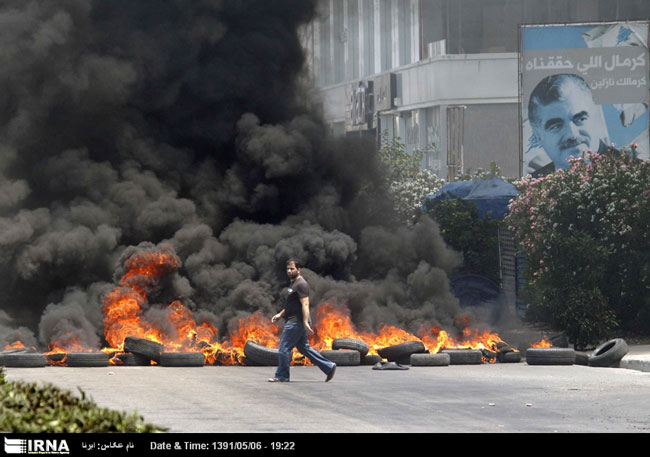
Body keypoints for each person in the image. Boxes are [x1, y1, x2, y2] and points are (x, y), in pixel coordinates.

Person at [528, 73, 610, 176]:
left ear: (596, 118)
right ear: (539, 137)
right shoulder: (532, 183)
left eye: (580, 119)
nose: (572, 135)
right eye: (556, 126)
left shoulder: (628, 169)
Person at [268, 259, 336, 382]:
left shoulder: (301, 284)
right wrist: (280, 314)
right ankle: (329, 366)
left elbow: (305, 304)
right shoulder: (293, 284)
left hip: (296, 322)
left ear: (298, 270)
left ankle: (282, 376)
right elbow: (291, 304)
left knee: (284, 348)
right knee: (304, 348)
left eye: (292, 269)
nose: (289, 271)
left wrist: (305, 322)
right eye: (288, 269)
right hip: (295, 321)